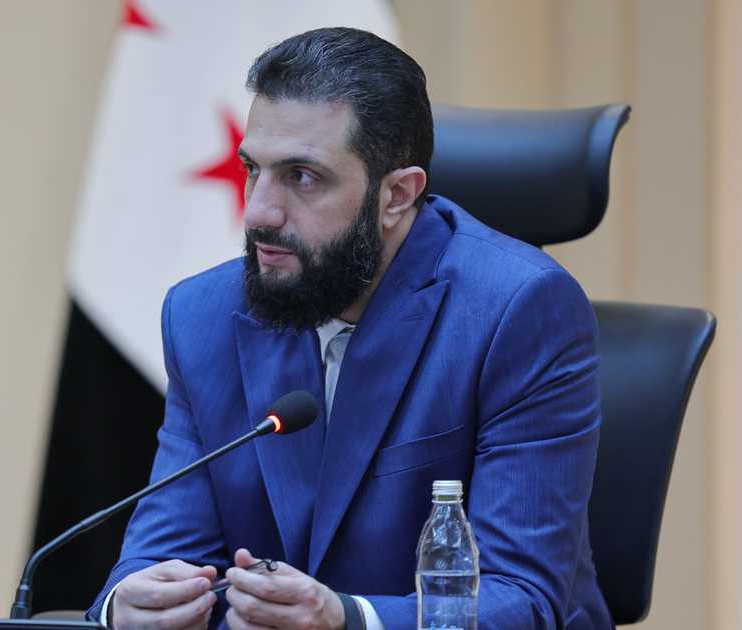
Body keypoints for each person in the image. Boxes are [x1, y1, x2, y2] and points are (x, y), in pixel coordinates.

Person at [88, 27, 613, 630]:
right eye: (253, 169)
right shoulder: (202, 314)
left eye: (302, 176)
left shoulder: (518, 312)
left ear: (397, 196)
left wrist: (348, 619)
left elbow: (522, 599)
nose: (258, 212)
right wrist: (126, 604)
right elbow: (161, 554)